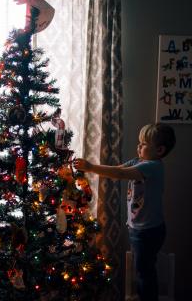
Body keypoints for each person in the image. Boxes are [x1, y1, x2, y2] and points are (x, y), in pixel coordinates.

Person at [74, 123, 176, 301]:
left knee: (144, 273)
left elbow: (120, 174)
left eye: (144, 144)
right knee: (143, 270)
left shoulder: (152, 167)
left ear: (159, 150)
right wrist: (93, 168)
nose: (138, 147)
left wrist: (91, 167)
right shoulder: (140, 161)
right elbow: (119, 169)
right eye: (139, 142)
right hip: (140, 229)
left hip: (147, 231)